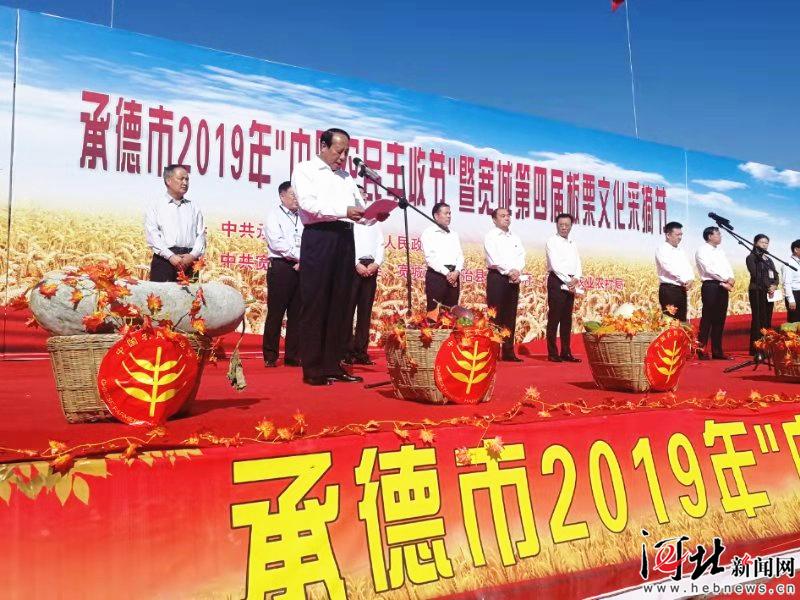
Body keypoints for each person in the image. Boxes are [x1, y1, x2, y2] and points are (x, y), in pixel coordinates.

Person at [292, 128, 365, 386]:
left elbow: (357, 206)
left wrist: (371, 214)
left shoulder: (346, 177)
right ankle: (313, 369)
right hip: (319, 237)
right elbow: (309, 205)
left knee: (340, 304)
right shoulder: (305, 170)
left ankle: (333, 364)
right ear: (323, 146)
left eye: (346, 152)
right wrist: (345, 210)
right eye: (339, 151)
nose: (343, 157)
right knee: (316, 302)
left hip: (345, 237)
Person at [262, 181, 303, 368]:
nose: (296, 198)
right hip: (281, 267)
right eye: (293, 194)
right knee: (276, 313)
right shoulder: (274, 215)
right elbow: (276, 242)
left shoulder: (303, 216)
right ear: (282, 196)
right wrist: (299, 257)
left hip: (302, 267)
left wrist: (304, 260)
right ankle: (270, 355)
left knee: (297, 313)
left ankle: (293, 355)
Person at [145, 164, 205, 282]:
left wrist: (192, 256)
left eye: (187, 179)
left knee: (191, 294)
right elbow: (152, 234)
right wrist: (171, 256)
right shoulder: (156, 205)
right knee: (161, 294)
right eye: (181, 179)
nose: (185, 183)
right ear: (168, 180)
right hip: (164, 261)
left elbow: (201, 235)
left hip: (190, 262)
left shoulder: (194, 207)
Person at [345, 186, 384, 365]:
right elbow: (347, 244)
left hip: (371, 266)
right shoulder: (349, 219)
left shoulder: (374, 220)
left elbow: (380, 244)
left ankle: (361, 351)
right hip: (354, 267)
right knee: (348, 310)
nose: (363, 197)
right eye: (359, 194)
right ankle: (345, 351)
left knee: (365, 311)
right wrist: (356, 264)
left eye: (364, 194)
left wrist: (376, 263)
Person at [484, 207, 525, 362]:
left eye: (508, 215)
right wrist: (509, 271)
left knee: (510, 315)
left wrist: (517, 270)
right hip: (497, 278)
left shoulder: (515, 237)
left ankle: (508, 352)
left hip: (513, 278)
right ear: (494, 220)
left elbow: (521, 256)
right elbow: (494, 259)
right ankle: (493, 351)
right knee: (495, 315)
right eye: (502, 216)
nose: (507, 218)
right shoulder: (491, 236)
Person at [545, 213, 582, 363]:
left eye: (567, 225)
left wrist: (576, 278)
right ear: (557, 225)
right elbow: (555, 265)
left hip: (571, 282)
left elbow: (578, 262)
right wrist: (568, 281)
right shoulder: (552, 241)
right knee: (554, 318)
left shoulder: (572, 243)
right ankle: (552, 353)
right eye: (561, 225)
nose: (564, 227)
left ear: (571, 226)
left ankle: (566, 352)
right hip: (557, 281)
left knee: (567, 319)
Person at [695, 226, 735, 360]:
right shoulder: (702, 250)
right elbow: (708, 269)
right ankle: (701, 350)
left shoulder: (720, 251)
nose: (720, 236)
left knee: (720, 319)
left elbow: (728, 267)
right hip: (711, 285)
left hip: (723, 286)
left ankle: (717, 351)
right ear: (709, 236)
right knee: (707, 318)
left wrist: (731, 278)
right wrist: (725, 278)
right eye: (718, 234)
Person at [421, 203, 464, 312]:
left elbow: (460, 255)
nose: (449, 216)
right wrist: (447, 273)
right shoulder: (429, 233)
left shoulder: (454, 234)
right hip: (437, 277)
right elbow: (430, 258)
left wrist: (457, 271)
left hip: (454, 277)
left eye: (450, 213)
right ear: (436, 216)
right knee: (434, 313)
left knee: (451, 312)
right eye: (446, 213)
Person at [746, 234, 778, 359]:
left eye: (766, 242)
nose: (764, 244)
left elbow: (775, 274)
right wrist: (768, 286)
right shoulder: (751, 257)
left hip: (769, 292)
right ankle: (756, 348)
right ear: (755, 243)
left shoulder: (768, 259)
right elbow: (756, 275)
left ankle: (766, 347)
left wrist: (774, 285)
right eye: (762, 242)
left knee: (767, 319)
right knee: (758, 319)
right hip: (757, 291)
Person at [655, 221, 694, 322]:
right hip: (669, 291)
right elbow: (668, 267)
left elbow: (688, 266)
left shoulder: (680, 251)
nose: (680, 237)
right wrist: (685, 280)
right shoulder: (662, 249)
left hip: (681, 290)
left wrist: (691, 278)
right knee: (670, 322)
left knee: (682, 321)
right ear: (668, 235)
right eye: (677, 234)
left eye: (681, 234)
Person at [782, 240, 800, 323]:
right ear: (796, 249)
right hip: (794, 295)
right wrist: (791, 300)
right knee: (794, 322)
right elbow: (787, 283)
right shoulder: (788, 263)